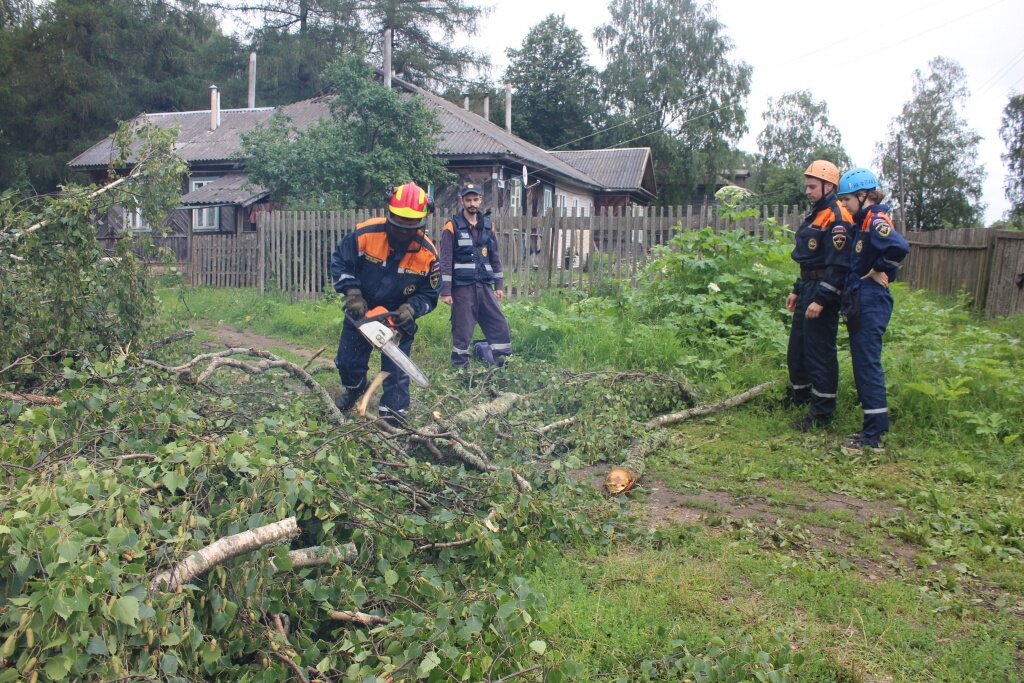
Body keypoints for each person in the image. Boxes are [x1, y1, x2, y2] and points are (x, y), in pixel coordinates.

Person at [330, 182, 440, 424]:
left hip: (397, 317)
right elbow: (340, 262)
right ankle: (355, 389)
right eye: (399, 223)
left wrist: (411, 308)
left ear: (421, 222)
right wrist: (352, 293)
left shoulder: (428, 254)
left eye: (410, 226)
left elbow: (430, 295)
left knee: (397, 373)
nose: (403, 231)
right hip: (362, 310)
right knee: (348, 363)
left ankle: (393, 419)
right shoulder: (366, 233)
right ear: (390, 214)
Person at [836, 168, 910, 452]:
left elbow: (898, 247)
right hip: (860, 298)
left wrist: (879, 269)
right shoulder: (863, 221)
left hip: (871, 300)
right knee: (862, 364)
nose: (844, 205)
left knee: (868, 365)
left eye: (847, 199)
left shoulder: (876, 219)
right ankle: (872, 429)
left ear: (863, 195)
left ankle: (874, 436)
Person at [786, 160, 854, 431]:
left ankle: (822, 414)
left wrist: (821, 299)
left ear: (829, 186)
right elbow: (809, 259)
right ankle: (799, 397)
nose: (808, 190)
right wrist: (796, 289)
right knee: (798, 349)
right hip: (807, 287)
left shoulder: (838, 217)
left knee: (819, 352)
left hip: (822, 291)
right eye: (807, 185)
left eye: (813, 186)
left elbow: (838, 265)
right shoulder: (816, 213)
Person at [439, 181, 512, 367]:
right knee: (463, 329)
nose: (472, 203)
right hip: (462, 288)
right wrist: (446, 291)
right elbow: (446, 260)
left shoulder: (488, 226)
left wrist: (500, 285)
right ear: (461, 200)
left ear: (481, 200)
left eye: (475, 199)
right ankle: (460, 368)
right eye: (468, 200)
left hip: (485, 286)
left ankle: (502, 363)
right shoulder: (451, 227)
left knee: (499, 324)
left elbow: (495, 258)